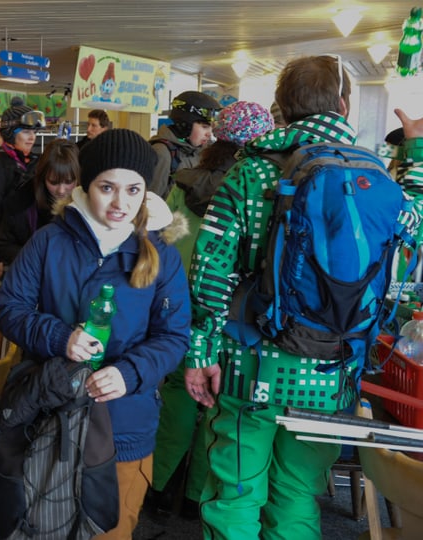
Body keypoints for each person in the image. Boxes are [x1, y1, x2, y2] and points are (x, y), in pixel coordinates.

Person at [184, 55, 423, 539]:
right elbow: (412, 232)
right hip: (334, 369)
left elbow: (209, 270)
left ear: (282, 108)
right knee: (297, 491)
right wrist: (415, 151)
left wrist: (200, 353)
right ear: (343, 104)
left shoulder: (250, 174)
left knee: (234, 491)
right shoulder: (373, 175)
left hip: (250, 368)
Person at [0, 128, 191, 540]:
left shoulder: (161, 253)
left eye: (134, 189)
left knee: (112, 528)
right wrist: (58, 336)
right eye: (107, 187)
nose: (121, 203)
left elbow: (174, 337)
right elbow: (9, 310)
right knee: (38, 520)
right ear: (86, 185)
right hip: (48, 410)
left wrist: (130, 373)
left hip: (124, 423)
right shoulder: (49, 241)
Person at [149, 100, 274, 518]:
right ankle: (197, 497)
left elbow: (164, 246)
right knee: (216, 406)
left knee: (176, 398)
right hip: (230, 314)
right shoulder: (257, 188)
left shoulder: (184, 183)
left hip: (177, 307)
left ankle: (160, 485)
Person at [0, 97, 44, 279]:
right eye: (26, 132)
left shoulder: (35, 164)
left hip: (29, 249)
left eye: (34, 132)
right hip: (6, 256)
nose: (32, 137)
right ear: (12, 133)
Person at [0, 138, 80, 265]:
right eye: (53, 182)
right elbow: (4, 244)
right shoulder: (21, 202)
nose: (61, 190)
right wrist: (34, 259)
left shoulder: (90, 203)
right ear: (43, 178)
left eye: (68, 182)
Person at [150, 91, 221, 199]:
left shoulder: (200, 151)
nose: (209, 133)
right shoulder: (162, 153)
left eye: (211, 128)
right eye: (204, 127)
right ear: (185, 125)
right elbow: (151, 202)